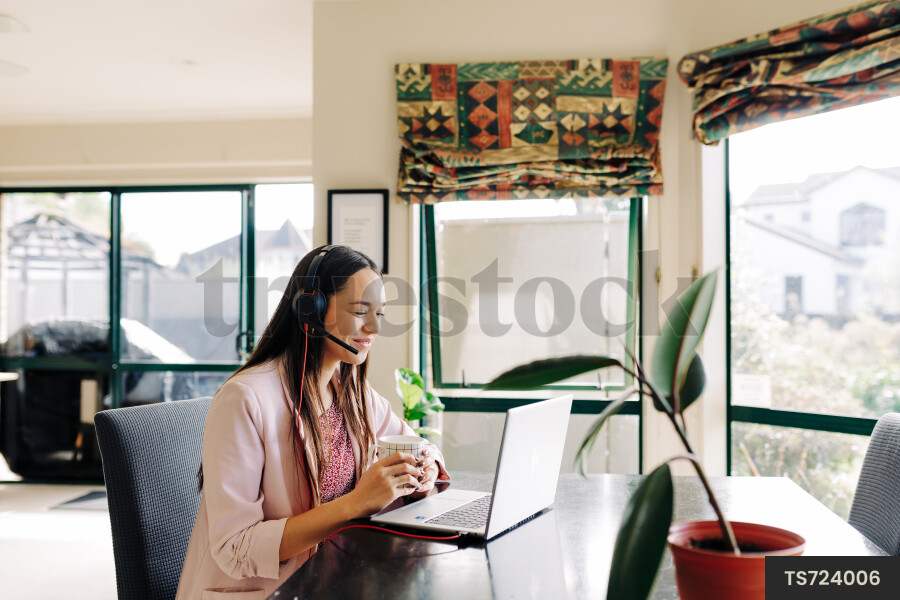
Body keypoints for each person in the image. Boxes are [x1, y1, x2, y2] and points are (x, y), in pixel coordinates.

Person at [176, 245, 447, 599]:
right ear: (312, 310)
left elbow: (416, 444)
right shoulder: (244, 399)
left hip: (337, 579)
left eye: (379, 312)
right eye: (359, 310)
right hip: (272, 591)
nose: (374, 326)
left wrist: (424, 468)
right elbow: (235, 547)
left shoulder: (352, 392)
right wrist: (355, 503)